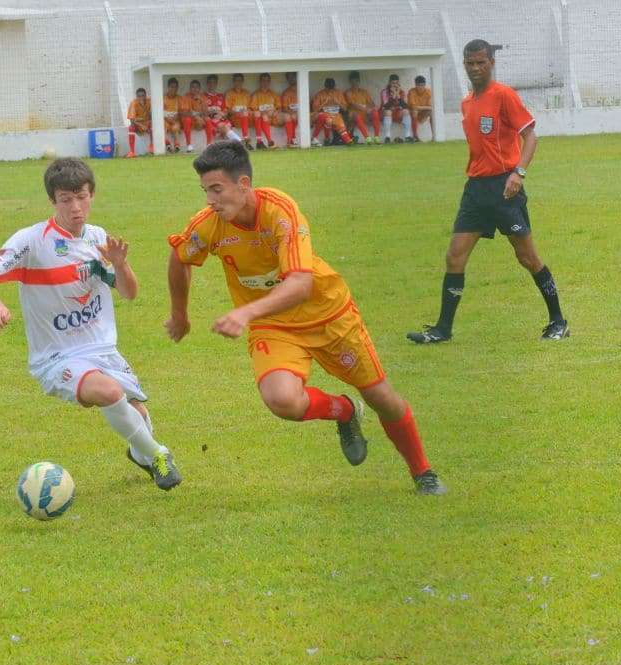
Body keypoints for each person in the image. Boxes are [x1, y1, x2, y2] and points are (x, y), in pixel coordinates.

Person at [165, 142, 446, 495]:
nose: (210, 200)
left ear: (244, 184)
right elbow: (180, 258)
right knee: (282, 400)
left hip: (327, 313)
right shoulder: (209, 225)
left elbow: (300, 284)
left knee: (381, 398)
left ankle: (423, 472)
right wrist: (180, 315)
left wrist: (246, 311)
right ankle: (343, 411)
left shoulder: (280, 211)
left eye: (217, 189)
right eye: (205, 191)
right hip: (276, 324)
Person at [0, 157, 182, 490]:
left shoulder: (97, 239)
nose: (75, 207)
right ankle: (159, 454)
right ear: (53, 201)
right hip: (57, 358)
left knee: (138, 417)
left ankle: (143, 454)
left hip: (103, 351)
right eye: (66, 200)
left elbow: (129, 293)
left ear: (92, 194)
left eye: (81, 197)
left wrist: (121, 266)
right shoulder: (32, 241)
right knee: (110, 393)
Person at [407, 39, 569, 344]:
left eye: (481, 62)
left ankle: (558, 321)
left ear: (491, 63)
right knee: (455, 257)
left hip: (504, 189)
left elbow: (530, 137)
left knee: (527, 257)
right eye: (470, 63)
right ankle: (443, 329)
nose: (476, 68)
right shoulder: (467, 102)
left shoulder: (504, 95)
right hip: (476, 191)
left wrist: (518, 173)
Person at [203, 75, 244, 145]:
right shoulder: (203, 96)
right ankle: (239, 141)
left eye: (214, 82)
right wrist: (214, 112)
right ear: (207, 84)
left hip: (222, 119)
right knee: (223, 127)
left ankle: (235, 144)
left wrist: (222, 114)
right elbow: (203, 112)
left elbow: (225, 111)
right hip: (211, 120)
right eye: (210, 82)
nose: (212, 84)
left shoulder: (220, 96)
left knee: (226, 126)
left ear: (216, 83)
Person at [310, 77, 353, 146]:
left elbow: (345, 109)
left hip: (336, 114)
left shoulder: (338, 93)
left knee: (340, 124)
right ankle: (327, 139)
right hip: (324, 114)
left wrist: (337, 102)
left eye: (332, 88)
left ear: (334, 86)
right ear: (325, 86)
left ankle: (348, 140)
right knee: (328, 120)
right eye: (328, 88)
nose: (330, 90)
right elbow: (315, 110)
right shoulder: (320, 94)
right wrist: (324, 103)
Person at [249, 72, 284, 150]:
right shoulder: (256, 94)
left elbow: (279, 107)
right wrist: (265, 113)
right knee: (263, 116)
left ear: (269, 82)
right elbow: (254, 110)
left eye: (267, 81)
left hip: (273, 118)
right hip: (262, 119)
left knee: (287, 117)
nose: (265, 83)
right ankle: (268, 141)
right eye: (263, 80)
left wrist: (275, 112)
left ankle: (291, 141)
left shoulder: (273, 94)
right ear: (260, 82)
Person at [344, 71, 381, 144]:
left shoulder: (364, 92)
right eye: (353, 81)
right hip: (353, 115)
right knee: (355, 115)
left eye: (357, 80)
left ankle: (376, 137)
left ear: (359, 81)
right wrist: (366, 109)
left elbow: (371, 103)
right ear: (350, 81)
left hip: (365, 114)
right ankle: (367, 138)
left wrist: (373, 108)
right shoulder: (348, 92)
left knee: (375, 112)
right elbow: (353, 104)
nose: (355, 83)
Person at [379, 74, 413, 144]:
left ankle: (407, 136)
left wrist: (398, 94)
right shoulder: (384, 91)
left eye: (396, 83)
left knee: (406, 111)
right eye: (393, 83)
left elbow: (405, 106)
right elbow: (386, 106)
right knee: (388, 112)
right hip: (385, 113)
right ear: (389, 83)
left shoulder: (401, 92)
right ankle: (387, 137)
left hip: (396, 113)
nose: (395, 85)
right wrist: (394, 96)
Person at [225, 73, 255, 151]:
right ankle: (246, 140)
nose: (238, 82)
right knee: (244, 114)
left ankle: (258, 141)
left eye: (240, 81)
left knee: (254, 114)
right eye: (236, 81)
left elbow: (251, 108)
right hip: (235, 119)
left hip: (247, 118)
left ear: (242, 81)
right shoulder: (229, 93)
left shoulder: (247, 93)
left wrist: (246, 111)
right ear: (233, 82)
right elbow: (228, 110)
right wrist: (238, 113)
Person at [179, 79, 205, 153]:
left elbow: (205, 112)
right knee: (187, 119)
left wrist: (200, 101)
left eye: (197, 87)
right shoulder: (186, 97)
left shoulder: (202, 97)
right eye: (193, 87)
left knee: (208, 120)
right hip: (187, 120)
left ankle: (209, 144)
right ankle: (189, 145)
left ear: (199, 89)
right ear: (190, 88)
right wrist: (196, 116)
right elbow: (185, 112)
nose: (195, 89)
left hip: (197, 120)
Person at [126, 87, 153, 158]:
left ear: (145, 96)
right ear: (136, 97)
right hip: (137, 125)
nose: (141, 97)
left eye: (142, 95)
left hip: (147, 123)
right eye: (139, 96)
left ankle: (152, 147)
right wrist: (141, 125)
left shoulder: (149, 101)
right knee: (131, 128)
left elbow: (153, 116)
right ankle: (132, 152)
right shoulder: (133, 103)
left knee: (154, 125)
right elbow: (131, 120)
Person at [407, 75, 433, 142]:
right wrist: (424, 107)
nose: (421, 87)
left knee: (432, 113)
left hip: (423, 114)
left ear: (425, 85)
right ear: (415, 85)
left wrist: (420, 107)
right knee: (414, 111)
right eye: (419, 85)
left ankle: (434, 135)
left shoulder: (428, 92)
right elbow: (413, 107)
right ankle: (415, 136)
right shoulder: (411, 91)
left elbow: (431, 107)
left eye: (423, 85)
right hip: (413, 115)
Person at [163, 77, 184, 153]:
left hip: (175, 120)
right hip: (165, 120)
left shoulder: (180, 98)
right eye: (172, 87)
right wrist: (167, 118)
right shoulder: (163, 98)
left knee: (175, 127)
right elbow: (159, 112)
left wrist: (176, 117)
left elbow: (182, 112)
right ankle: (167, 143)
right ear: (168, 87)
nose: (173, 89)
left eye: (175, 87)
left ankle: (176, 145)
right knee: (162, 126)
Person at [279, 72, 300, 147]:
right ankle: (291, 140)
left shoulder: (302, 90)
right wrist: (292, 113)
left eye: (293, 77)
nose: (292, 79)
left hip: (303, 115)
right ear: (287, 80)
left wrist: (298, 113)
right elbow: (284, 108)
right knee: (290, 117)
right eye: (289, 78)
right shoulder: (286, 93)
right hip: (292, 115)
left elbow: (308, 106)